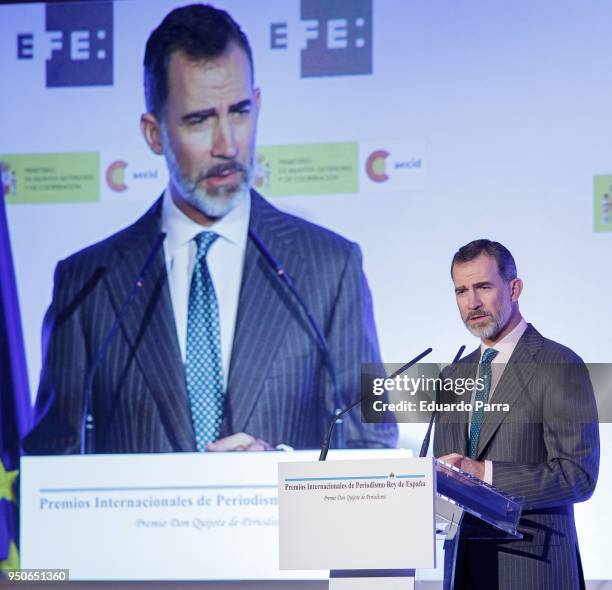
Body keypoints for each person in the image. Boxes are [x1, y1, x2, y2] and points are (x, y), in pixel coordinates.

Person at [24, 4, 396, 454]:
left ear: (257, 105)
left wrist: (280, 471)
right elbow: (50, 466)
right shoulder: (87, 284)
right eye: (199, 120)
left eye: (239, 112)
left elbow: (374, 447)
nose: (228, 144)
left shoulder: (332, 268)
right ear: (154, 133)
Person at [434, 239, 599, 590]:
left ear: (514, 287)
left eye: (483, 287)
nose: (472, 303)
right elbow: (445, 478)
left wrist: (482, 473)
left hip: (533, 569)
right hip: (463, 568)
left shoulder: (558, 364)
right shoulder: (452, 376)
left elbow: (578, 476)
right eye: (461, 291)